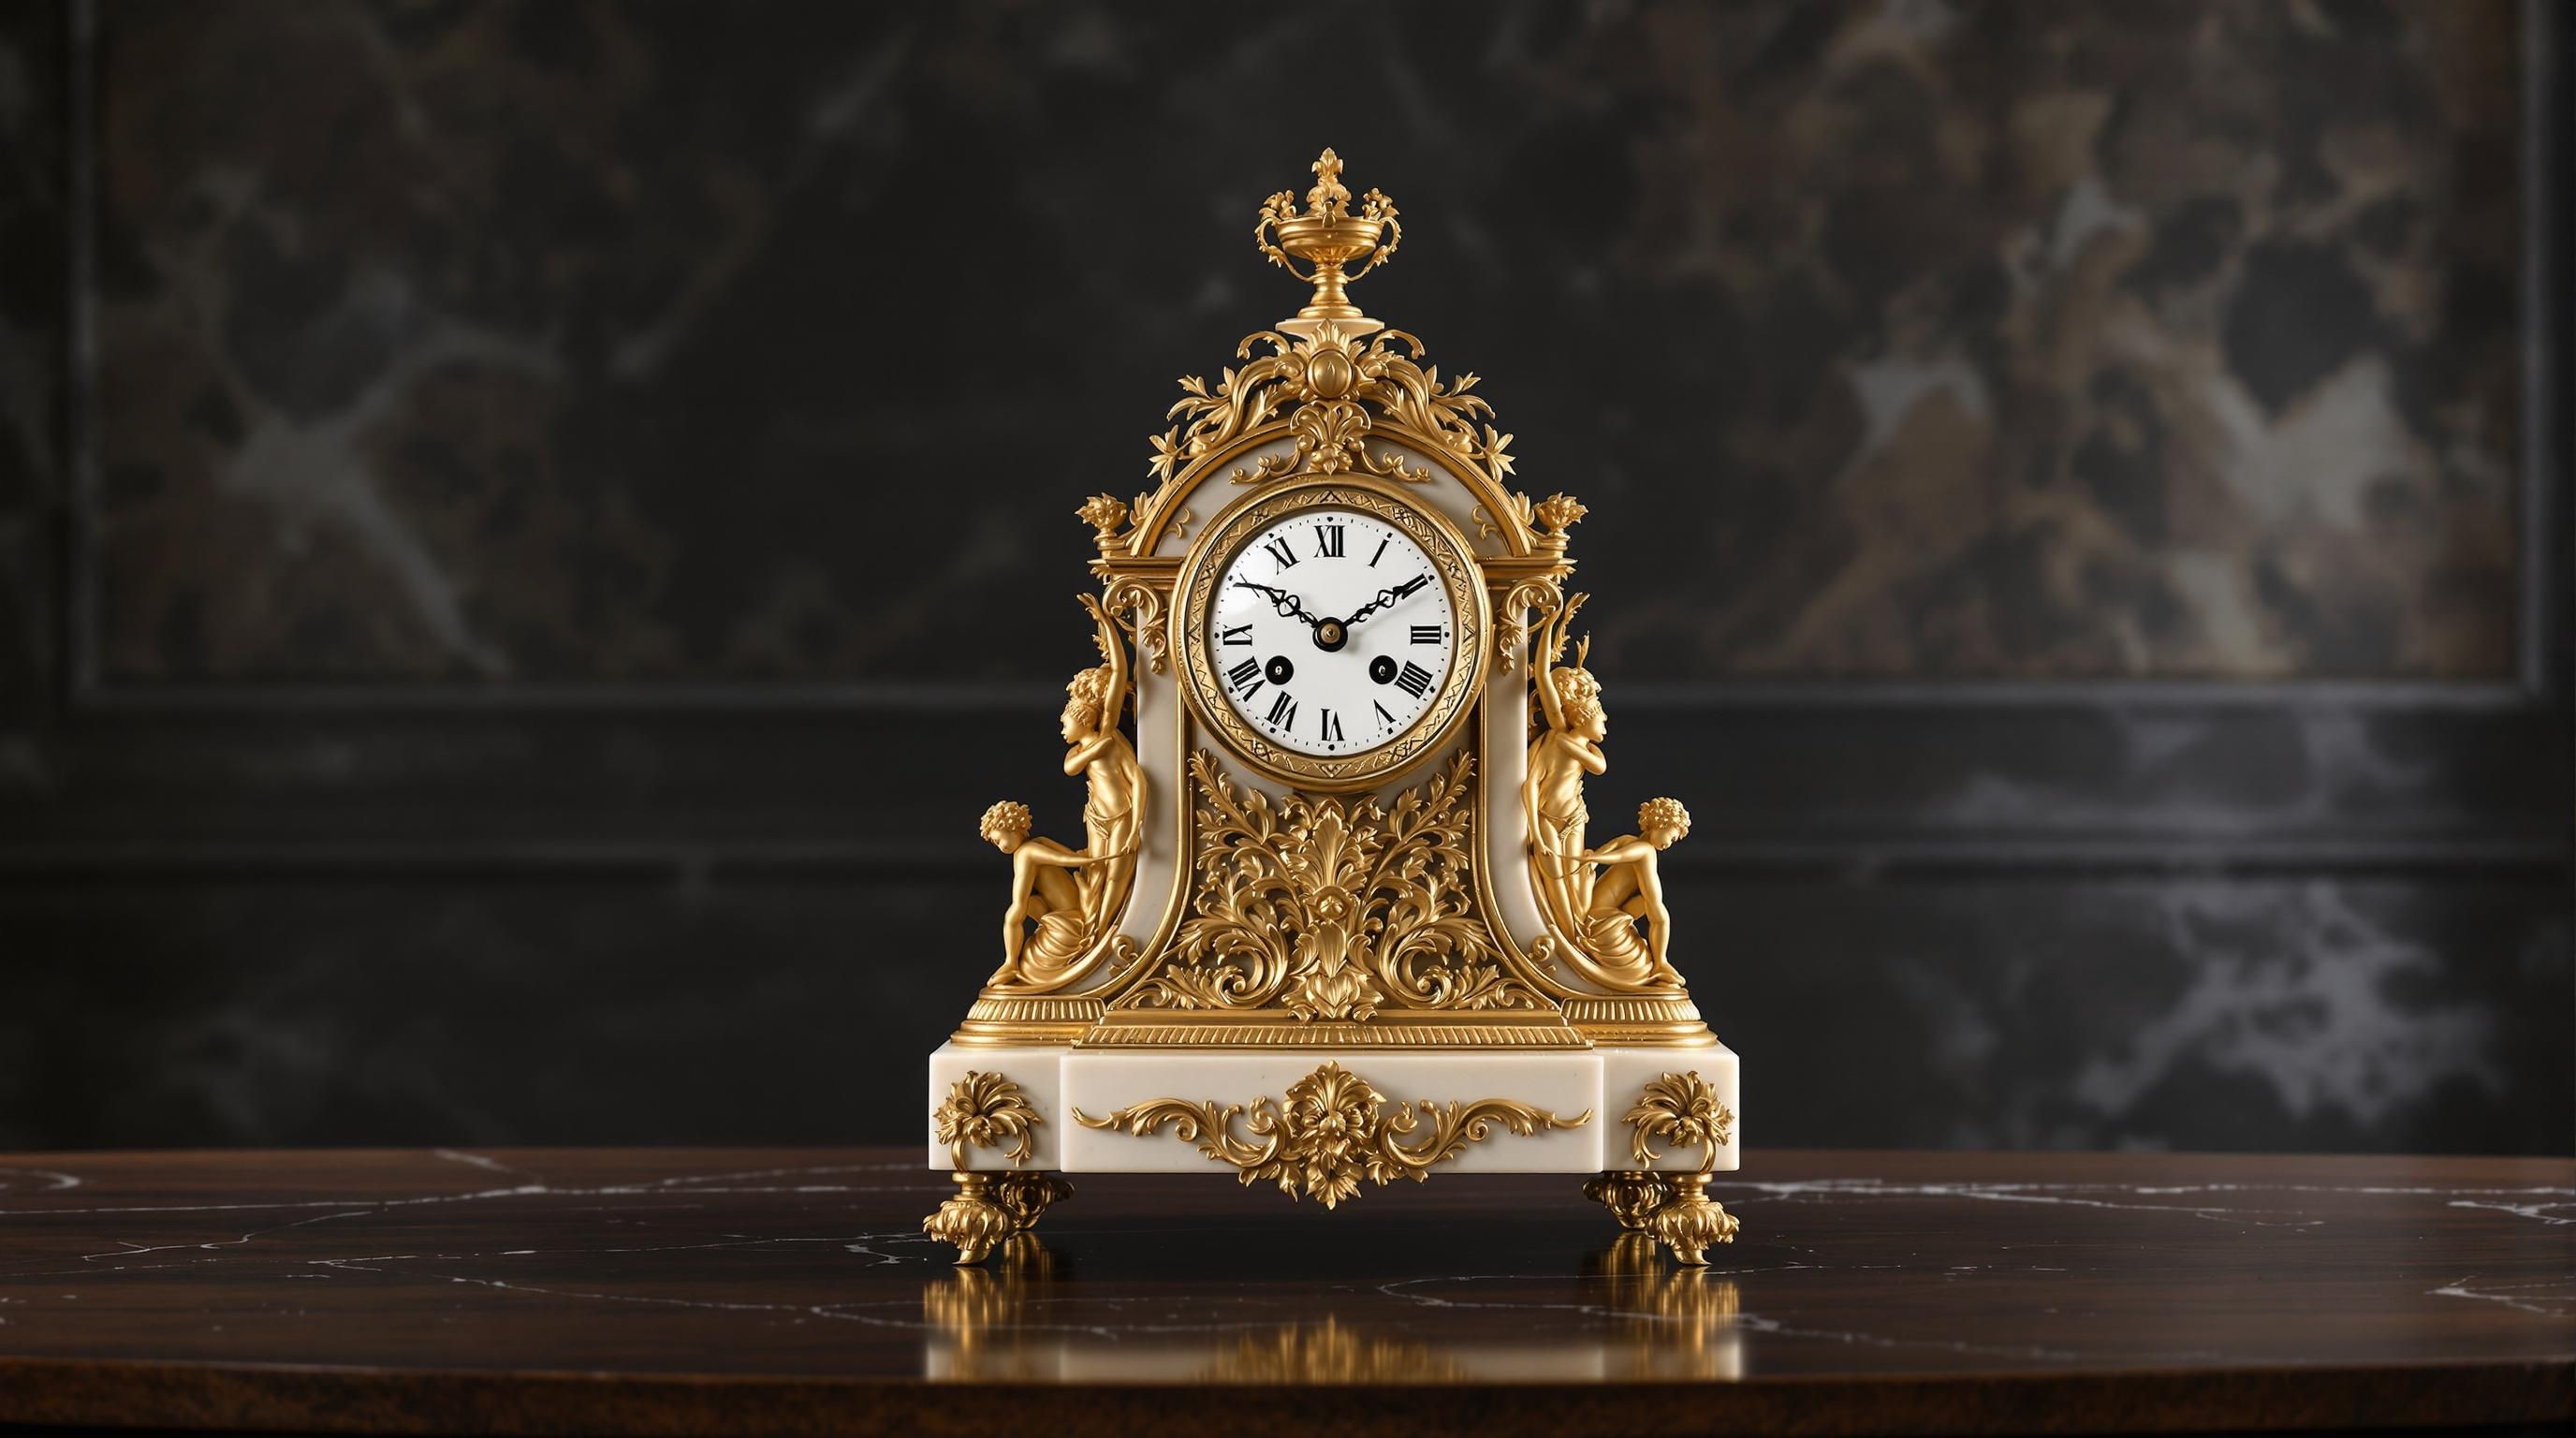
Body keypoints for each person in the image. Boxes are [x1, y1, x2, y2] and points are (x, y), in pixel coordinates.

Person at [1576, 797, 1690, 986]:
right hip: (1600, 917)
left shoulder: (1627, 839)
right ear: (1659, 824)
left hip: (1602, 909)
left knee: (1650, 905)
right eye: (1670, 837)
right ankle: (1660, 961)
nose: (1669, 844)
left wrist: (1594, 858)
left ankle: (1660, 961)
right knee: (1660, 914)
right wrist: (1594, 859)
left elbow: (1610, 853)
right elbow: (1621, 856)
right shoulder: (1645, 850)